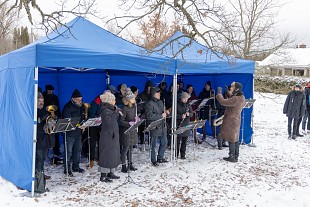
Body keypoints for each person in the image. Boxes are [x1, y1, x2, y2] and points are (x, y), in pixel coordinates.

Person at [216, 82, 245, 162]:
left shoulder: (236, 98)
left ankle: (232, 156)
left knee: (232, 139)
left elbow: (223, 102)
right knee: (235, 138)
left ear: (236, 89)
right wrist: (228, 93)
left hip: (231, 120)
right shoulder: (241, 97)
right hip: (236, 119)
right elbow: (232, 99)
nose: (230, 88)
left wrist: (219, 94)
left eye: (232, 87)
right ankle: (236, 155)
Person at [98, 91, 121, 182]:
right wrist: (116, 112)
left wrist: (117, 113)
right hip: (108, 136)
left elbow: (115, 119)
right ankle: (103, 175)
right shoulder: (105, 110)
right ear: (109, 101)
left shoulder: (111, 110)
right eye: (114, 100)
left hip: (113, 135)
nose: (115, 101)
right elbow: (108, 123)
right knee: (106, 155)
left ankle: (111, 172)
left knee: (113, 154)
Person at [62, 89, 85, 176]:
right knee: (68, 152)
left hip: (78, 132)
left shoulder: (81, 106)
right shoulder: (67, 107)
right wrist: (78, 125)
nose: (80, 101)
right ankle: (67, 169)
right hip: (69, 134)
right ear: (73, 99)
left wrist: (84, 123)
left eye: (81, 99)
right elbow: (67, 121)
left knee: (77, 150)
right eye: (78, 99)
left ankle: (76, 166)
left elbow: (82, 116)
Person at [144, 87, 170, 166]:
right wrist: (161, 115)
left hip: (162, 125)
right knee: (153, 145)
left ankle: (160, 157)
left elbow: (162, 112)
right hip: (155, 126)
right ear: (153, 94)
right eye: (158, 93)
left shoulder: (161, 102)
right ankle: (153, 160)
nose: (159, 94)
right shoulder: (149, 104)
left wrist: (166, 112)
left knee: (164, 142)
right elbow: (149, 116)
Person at [119, 89, 139, 173]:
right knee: (125, 149)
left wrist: (136, 119)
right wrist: (129, 123)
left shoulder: (134, 107)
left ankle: (130, 164)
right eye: (133, 98)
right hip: (126, 131)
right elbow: (120, 121)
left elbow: (134, 116)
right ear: (128, 100)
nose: (134, 99)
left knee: (131, 148)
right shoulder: (124, 108)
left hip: (132, 130)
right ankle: (124, 166)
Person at [35, 92, 50, 192]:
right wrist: (45, 116)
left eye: (43, 101)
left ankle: (41, 184)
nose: (41, 103)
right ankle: (38, 186)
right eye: (39, 101)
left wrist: (51, 120)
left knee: (43, 159)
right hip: (37, 140)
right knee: (38, 161)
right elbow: (37, 121)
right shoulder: (33, 110)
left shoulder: (44, 110)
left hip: (45, 140)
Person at [43, 84, 61, 157]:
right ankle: (45, 151)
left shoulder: (55, 97)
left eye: (51, 90)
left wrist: (58, 116)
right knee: (46, 133)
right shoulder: (43, 96)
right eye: (49, 90)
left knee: (55, 133)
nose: (50, 91)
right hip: (46, 117)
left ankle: (56, 149)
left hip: (54, 117)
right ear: (46, 90)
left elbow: (57, 107)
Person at [176, 92, 193, 159]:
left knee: (184, 142)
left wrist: (189, 114)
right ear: (181, 98)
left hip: (186, 124)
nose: (186, 100)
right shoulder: (177, 105)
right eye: (184, 99)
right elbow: (174, 115)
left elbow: (192, 113)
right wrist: (180, 116)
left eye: (187, 99)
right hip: (179, 125)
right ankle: (176, 155)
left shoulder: (188, 105)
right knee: (177, 142)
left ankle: (183, 155)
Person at [88, 93, 102, 169]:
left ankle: (100, 158)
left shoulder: (102, 103)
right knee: (92, 143)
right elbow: (91, 114)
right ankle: (91, 159)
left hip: (100, 126)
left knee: (101, 142)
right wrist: (98, 118)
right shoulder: (94, 103)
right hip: (93, 126)